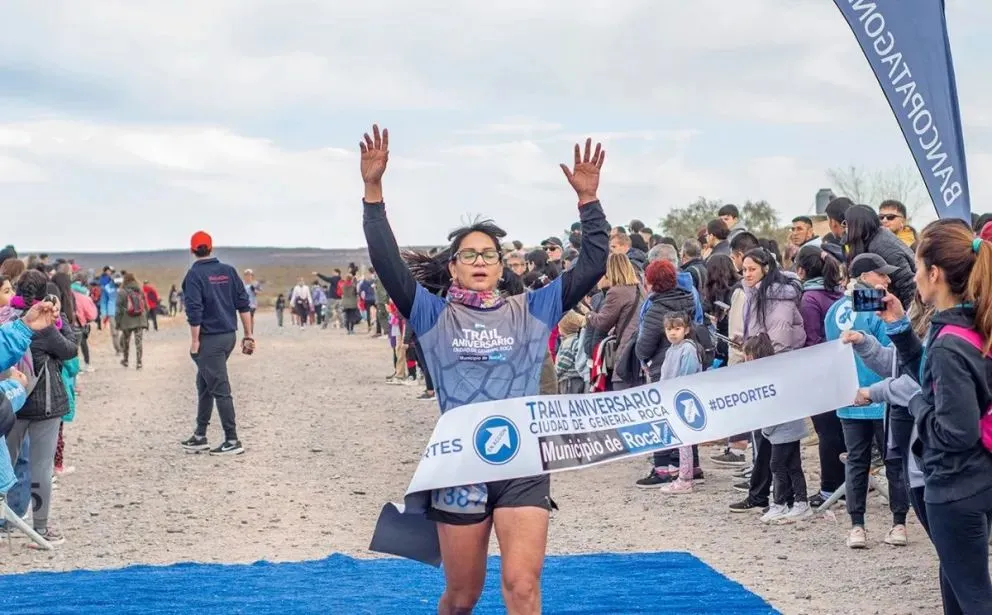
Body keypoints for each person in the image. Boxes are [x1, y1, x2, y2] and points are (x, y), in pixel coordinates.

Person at [361, 124, 608, 614]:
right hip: (460, 468)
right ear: (453, 266)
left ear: (500, 266)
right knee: (462, 596)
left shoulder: (533, 308)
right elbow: (387, 264)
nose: (479, 260)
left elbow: (594, 262)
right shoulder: (432, 314)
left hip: (523, 464)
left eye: (488, 254)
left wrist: (589, 202)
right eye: (468, 254)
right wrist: (373, 194)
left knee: (522, 588)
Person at [880, 220, 992, 612]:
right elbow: (934, 381)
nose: (913, 277)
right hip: (977, 475)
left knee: (973, 596)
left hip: (954, 483)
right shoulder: (972, 325)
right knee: (959, 584)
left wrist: (913, 405)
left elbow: (956, 430)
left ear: (935, 274)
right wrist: (898, 328)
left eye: (917, 267)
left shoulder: (950, 342)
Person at [824, 253, 910, 549]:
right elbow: (895, 352)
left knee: (857, 462)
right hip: (882, 396)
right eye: (881, 275)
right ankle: (899, 524)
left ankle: (857, 527)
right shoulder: (878, 306)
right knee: (894, 462)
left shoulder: (834, 310)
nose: (887, 280)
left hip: (848, 396)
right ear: (864, 277)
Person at [179, 230, 253, 457]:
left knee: (220, 387)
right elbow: (243, 304)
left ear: (192, 250)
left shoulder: (194, 276)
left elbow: (195, 311)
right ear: (211, 248)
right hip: (228, 335)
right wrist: (248, 335)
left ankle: (232, 439)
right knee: (205, 383)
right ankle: (200, 436)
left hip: (209, 339)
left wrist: (194, 341)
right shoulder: (228, 271)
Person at [745, 333, 812, 523]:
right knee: (792, 465)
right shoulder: (777, 373)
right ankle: (799, 502)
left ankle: (780, 503)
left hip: (782, 430)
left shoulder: (767, 378)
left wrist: (766, 429)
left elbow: (772, 408)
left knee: (777, 465)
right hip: (790, 427)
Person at [656, 312, 704, 495]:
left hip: (684, 400)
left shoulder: (688, 349)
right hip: (671, 398)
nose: (673, 333)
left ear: (686, 329)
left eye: (677, 328)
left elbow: (687, 375)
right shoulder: (671, 350)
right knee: (680, 440)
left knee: (685, 440)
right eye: (669, 329)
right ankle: (685, 475)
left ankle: (685, 479)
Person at [843, 204, 917, 309]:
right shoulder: (872, 240)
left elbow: (908, 284)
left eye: (846, 223)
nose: (845, 228)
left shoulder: (881, 245)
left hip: (905, 305)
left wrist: (908, 318)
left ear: (856, 225)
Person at [117, 273, 149, 370]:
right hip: (140, 320)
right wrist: (146, 320)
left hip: (127, 321)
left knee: (126, 341)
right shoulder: (140, 290)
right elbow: (146, 307)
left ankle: (126, 360)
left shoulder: (122, 292)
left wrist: (118, 322)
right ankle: (139, 362)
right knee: (138, 342)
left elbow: (118, 308)